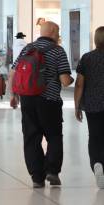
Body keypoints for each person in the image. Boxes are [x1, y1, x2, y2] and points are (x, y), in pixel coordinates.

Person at [9, 21, 74, 188]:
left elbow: (13, 72)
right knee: (53, 136)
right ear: (52, 32)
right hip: (49, 100)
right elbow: (65, 81)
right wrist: (73, 79)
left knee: (31, 137)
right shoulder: (58, 51)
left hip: (28, 99)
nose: (59, 35)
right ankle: (52, 171)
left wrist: (13, 94)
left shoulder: (28, 48)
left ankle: (37, 178)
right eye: (58, 31)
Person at [74, 26, 104, 189]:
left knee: (95, 136)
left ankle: (97, 163)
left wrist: (77, 106)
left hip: (93, 104)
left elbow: (79, 84)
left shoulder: (87, 58)